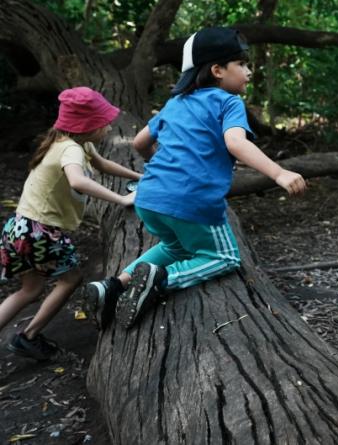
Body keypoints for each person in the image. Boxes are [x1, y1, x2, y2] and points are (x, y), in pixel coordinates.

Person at [81, 27, 307, 330]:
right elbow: (235, 143)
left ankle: (112, 286)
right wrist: (279, 173)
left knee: (175, 248)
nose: (249, 72)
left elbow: (139, 143)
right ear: (217, 70)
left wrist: (160, 170)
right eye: (242, 64)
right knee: (226, 257)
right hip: (192, 201)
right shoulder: (228, 103)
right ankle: (161, 280)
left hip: (149, 198)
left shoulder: (175, 103)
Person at [0, 87, 139, 359]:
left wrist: (141, 176)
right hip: (40, 232)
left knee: (30, 290)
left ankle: (27, 336)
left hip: (19, 227)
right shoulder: (71, 150)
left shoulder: (71, 142)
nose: (109, 127)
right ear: (86, 126)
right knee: (71, 279)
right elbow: (78, 180)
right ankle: (27, 336)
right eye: (103, 123)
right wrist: (121, 200)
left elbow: (103, 165)